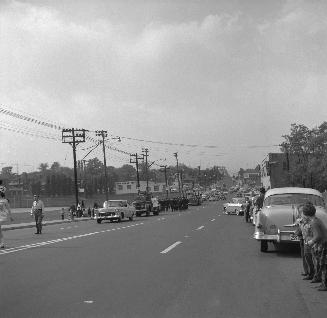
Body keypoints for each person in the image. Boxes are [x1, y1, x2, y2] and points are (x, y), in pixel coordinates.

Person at [306, 202, 327, 291]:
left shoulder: (314, 222)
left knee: (323, 265)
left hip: (323, 245)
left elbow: (318, 236)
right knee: (322, 265)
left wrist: (311, 241)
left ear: (306, 214)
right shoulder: (317, 219)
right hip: (324, 243)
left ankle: (325, 285)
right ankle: (323, 283)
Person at [294, 204, 315, 280]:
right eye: (300, 212)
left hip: (309, 241)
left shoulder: (310, 221)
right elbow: (299, 230)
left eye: (301, 212)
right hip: (303, 239)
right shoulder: (301, 220)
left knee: (309, 257)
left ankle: (311, 273)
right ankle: (307, 271)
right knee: (304, 256)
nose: (301, 214)